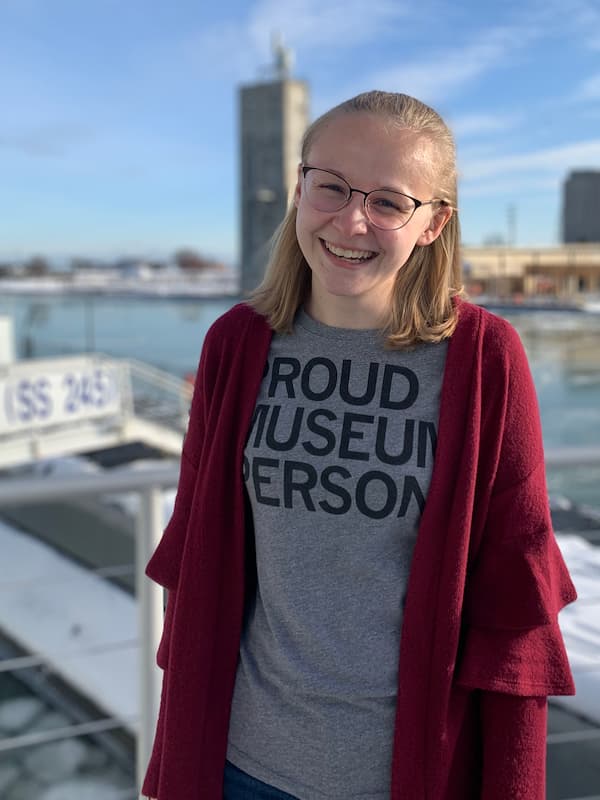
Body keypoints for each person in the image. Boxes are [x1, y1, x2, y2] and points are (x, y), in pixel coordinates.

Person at [143, 90, 576, 800]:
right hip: (240, 764)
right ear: (299, 188)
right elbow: (195, 548)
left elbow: (515, 597)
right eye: (333, 187)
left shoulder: (485, 357)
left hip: (411, 774)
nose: (351, 220)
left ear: (434, 223)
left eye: (389, 202)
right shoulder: (236, 343)